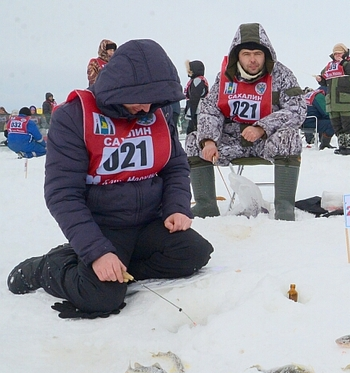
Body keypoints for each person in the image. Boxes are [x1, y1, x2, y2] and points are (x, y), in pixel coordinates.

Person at [6, 39, 214, 319]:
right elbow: (63, 194)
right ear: (120, 87)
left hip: (148, 222)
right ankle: (46, 267)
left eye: (154, 98)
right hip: (103, 226)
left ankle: (117, 270)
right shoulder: (74, 117)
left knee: (195, 253)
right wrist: (97, 251)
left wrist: (177, 207)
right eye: (140, 98)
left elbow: (175, 166)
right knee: (101, 298)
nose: (147, 107)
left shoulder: (157, 112)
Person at [184, 23, 306, 220]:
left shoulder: (282, 75)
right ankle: (206, 205)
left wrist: (262, 127)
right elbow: (210, 109)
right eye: (246, 54)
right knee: (192, 140)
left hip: (266, 142)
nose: (253, 59)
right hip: (232, 141)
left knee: (290, 137)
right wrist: (209, 140)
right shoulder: (225, 77)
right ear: (237, 56)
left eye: (258, 53)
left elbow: (297, 109)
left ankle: (284, 207)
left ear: (266, 54)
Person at [316, 43, 350, 156]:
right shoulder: (329, 66)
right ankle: (342, 147)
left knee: (348, 125)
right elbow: (325, 80)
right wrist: (320, 80)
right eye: (335, 53)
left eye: (339, 53)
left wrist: (343, 63)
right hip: (332, 102)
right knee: (337, 126)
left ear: (345, 53)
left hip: (347, 101)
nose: (337, 55)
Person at [303, 83, 334, 148]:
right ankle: (325, 144)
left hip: (303, 122)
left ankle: (313, 139)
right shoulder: (319, 96)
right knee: (332, 123)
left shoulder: (310, 94)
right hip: (311, 123)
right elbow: (326, 113)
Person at [184, 60, 208, 134]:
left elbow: (194, 98)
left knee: (192, 131)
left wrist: (190, 113)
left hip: (197, 111)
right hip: (199, 110)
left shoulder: (197, 80)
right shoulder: (200, 79)